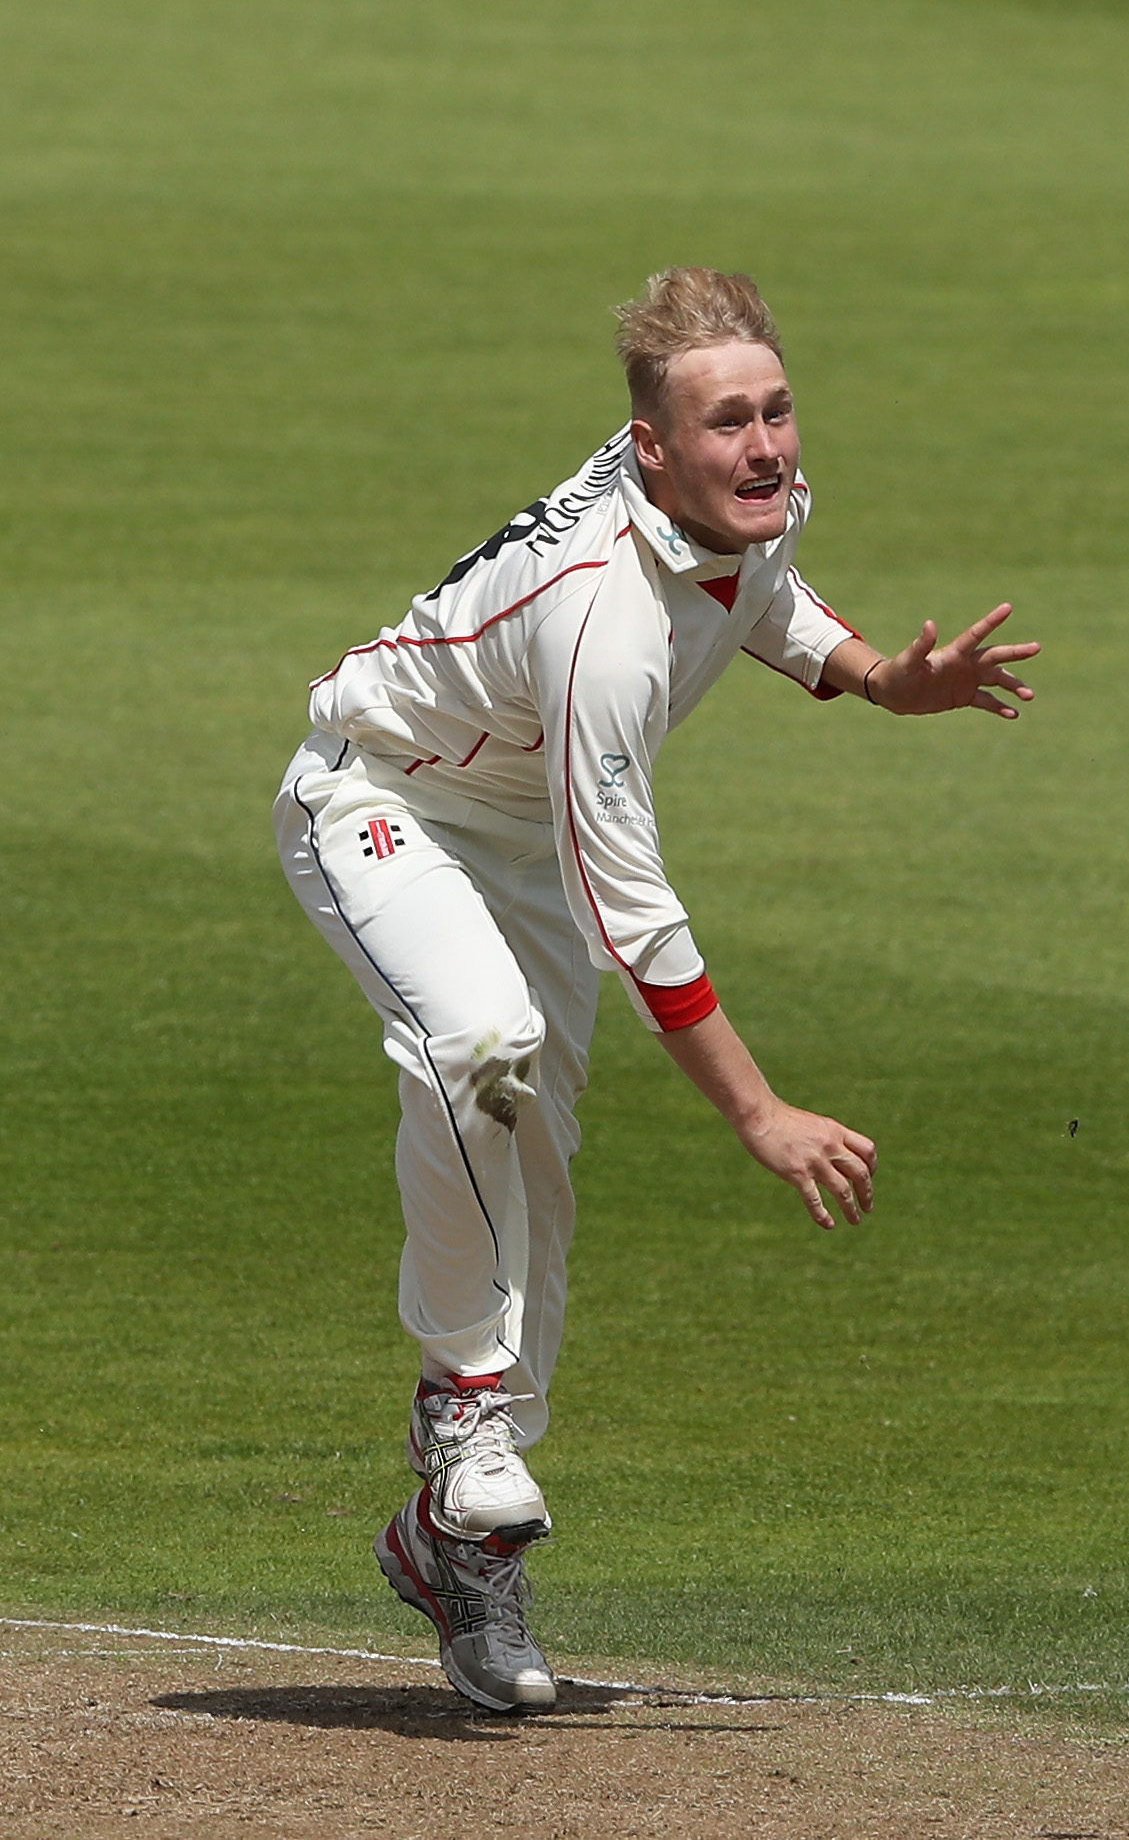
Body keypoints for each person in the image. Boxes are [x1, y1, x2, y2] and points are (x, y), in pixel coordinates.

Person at [272, 266, 1040, 1714]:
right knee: (479, 1043)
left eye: (776, 411)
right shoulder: (598, 625)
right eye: (725, 424)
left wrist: (875, 676)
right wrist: (757, 1113)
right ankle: (462, 1423)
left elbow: (768, 589)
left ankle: (461, 1540)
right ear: (649, 449)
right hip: (382, 799)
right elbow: (638, 922)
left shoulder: (736, 502)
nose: (764, 447)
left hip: (510, 829)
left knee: (533, 1149)